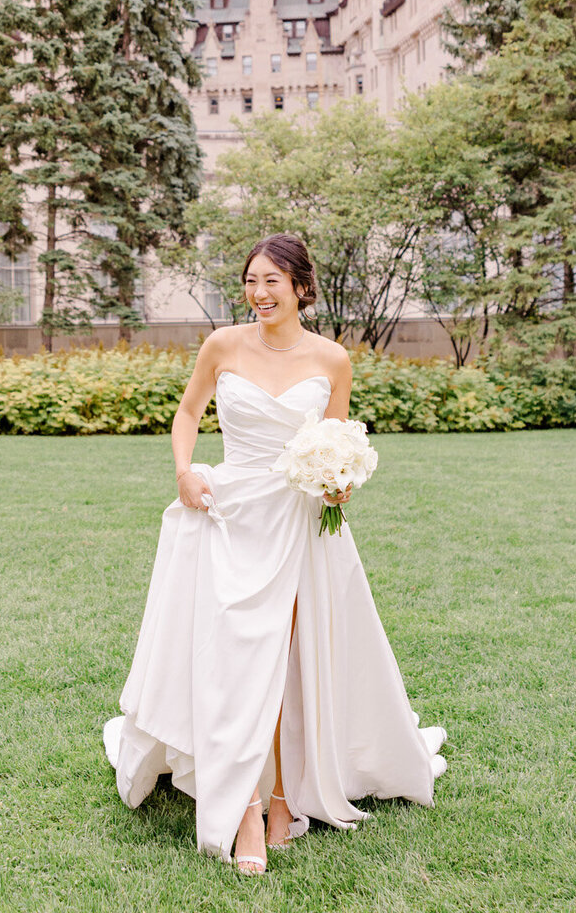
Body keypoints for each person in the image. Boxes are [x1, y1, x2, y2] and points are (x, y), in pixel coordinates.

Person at [103, 232, 447, 874]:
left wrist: (341, 484)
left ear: (300, 288)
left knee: (289, 659)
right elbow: (187, 414)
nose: (259, 294)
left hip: (300, 520)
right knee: (236, 656)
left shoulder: (332, 360)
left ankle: (286, 798)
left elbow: (340, 443)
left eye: (272, 282)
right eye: (251, 281)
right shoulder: (223, 345)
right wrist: (184, 471)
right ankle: (246, 810)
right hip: (230, 514)